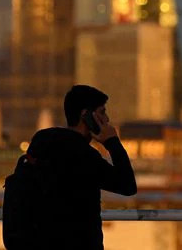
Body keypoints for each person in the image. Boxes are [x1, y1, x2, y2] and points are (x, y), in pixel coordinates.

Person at [25, 84, 137, 249]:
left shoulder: (40, 144)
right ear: (86, 116)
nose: (106, 119)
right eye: (102, 112)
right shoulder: (84, 155)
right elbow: (127, 186)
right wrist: (112, 142)